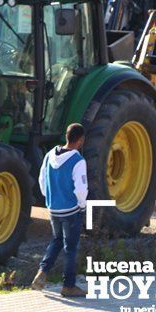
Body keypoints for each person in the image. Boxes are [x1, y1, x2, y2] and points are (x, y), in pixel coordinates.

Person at [32, 124, 88, 298]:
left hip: (53, 208)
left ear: (66, 136)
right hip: (71, 210)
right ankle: (69, 286)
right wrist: (82, 205)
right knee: (70, 247)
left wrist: (51, 199)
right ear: (80, 140)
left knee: (56, 240)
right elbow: (81, 188)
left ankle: (42, 272)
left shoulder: (49, 155)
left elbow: (42, 181)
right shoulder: (78, 160)